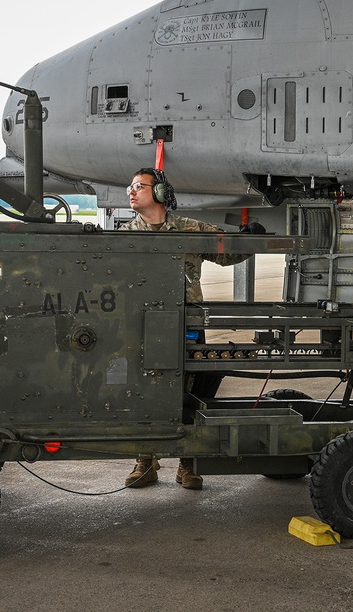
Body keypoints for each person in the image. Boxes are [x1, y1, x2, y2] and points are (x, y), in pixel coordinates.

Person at [120, 167, 263, 490]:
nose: (131, 191)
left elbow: (227, 253)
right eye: (130, 187)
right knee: (146, 392)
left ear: (158, 194)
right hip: (142, 327)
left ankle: (188, 462)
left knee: (191, 393)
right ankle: (145, 460)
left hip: (187, 325)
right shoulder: (126, 234)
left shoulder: (189, 229)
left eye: (139, 186)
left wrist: (250, 237)